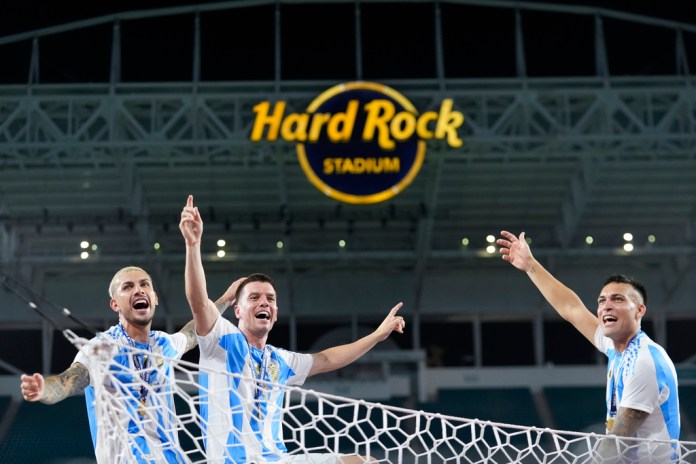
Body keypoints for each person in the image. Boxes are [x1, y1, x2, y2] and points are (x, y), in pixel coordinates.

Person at [179, 195, 406, 464]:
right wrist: (193, 246)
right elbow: (198, 302)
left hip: (278, 460)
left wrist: (379, 335)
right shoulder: (221, 339)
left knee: (363, 462)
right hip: (235, 461)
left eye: (270, 299)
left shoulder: (279, 360)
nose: (264, 302)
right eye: (254, 298)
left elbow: (326, 359)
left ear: (275, 314)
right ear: (237, 310)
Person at [19, 265, 240, 464]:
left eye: (145, 284)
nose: (139, 290)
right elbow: (68, 382)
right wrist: (43, 390)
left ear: (154, 298)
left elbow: (192, 333)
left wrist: (226, 299)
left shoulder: (163, 343)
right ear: (115, 304)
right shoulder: (102, 348)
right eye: (128, 286)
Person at [497, 230, 680, 463]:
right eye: (602, 301)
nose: (606, 306)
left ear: (640, 310)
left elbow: (619, 439)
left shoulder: (645, 361)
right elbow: (572, 309)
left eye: (618, 299)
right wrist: (530, 265)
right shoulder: (617, 348)